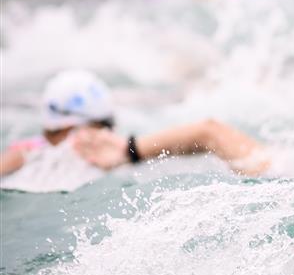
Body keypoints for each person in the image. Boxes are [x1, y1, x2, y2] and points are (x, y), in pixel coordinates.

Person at [0, 70, 270, 189]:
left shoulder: (27, 154)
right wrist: (130, 150)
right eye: (105, 126)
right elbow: (210, 131)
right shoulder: (33, 156)